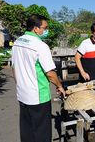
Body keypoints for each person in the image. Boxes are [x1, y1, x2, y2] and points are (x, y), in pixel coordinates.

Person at [11, 14, 66, 142]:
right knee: (42, 132)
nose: (46, 31)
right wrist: (59, 86)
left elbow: (14, 68)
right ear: (36, 28)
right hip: (38, 96)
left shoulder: (18, 42)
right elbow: (50, 73)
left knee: (27, 130)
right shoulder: (40, 45)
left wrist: (20, 85)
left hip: (22, 94)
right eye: (44, 28)